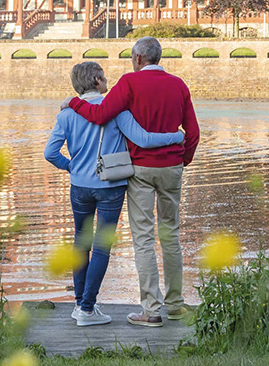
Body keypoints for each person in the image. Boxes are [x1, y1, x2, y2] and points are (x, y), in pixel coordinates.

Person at [63, 37, 200, 327]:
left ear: (138, 59)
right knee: (171, 235)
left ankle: (151, 310)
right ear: (157, 58)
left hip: (140, 169)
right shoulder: (179, 85)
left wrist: (74, 102)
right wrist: (181, 160)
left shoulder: (129, 83)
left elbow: (100, 114)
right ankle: (175, 305)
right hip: (172, 167)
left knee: (143, 238)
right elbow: (193, 131)